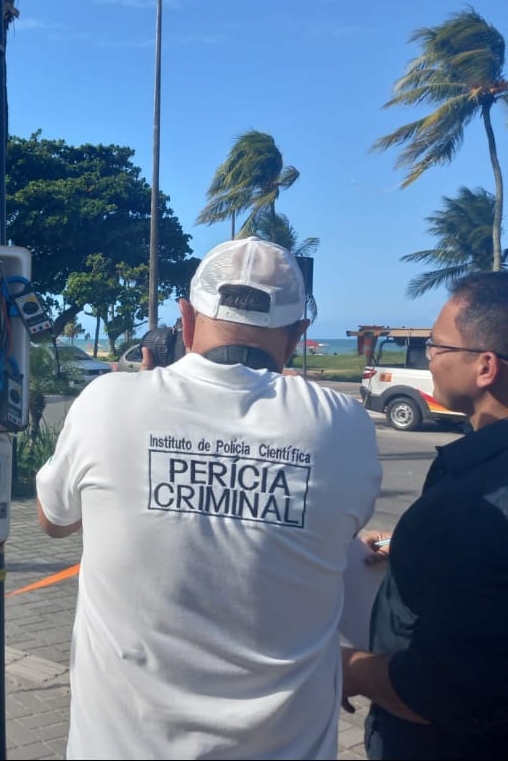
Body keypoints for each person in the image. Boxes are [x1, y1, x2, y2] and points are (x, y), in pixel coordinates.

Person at [36, 237, 383, 759]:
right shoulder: (341, 425)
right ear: (298, 335)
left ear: (186, 318)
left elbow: (54, 520)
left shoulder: (109, 402)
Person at [341, 271, 508, 759]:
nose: (430, 358)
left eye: (438, 346)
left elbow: (442, 689)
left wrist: (349, 667)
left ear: (485, 367)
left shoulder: (471, 504)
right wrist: (406, 548)